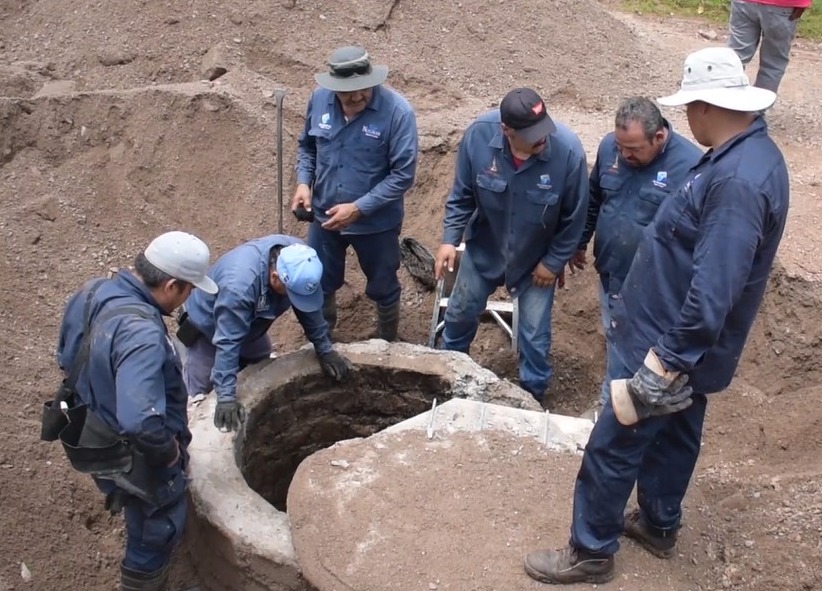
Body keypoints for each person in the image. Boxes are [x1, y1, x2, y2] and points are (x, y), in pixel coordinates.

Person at [523, 47, 789, 584]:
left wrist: (664, 362)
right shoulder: (743, 155)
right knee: (676, 433)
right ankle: (659, 523)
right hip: (683, 342)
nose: (687, 117)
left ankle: (591, 549)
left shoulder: (737, 180)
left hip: (664, 341)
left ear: (706, 107)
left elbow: (715, 286)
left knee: (615, 441)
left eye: (690, 106)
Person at [52, 231, 218, 590]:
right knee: (159, 520)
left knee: (133, 498)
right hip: (130, 451)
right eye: (189, 290)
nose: (188, 299)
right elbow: (141, 420)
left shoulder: (93, 290)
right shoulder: (142, 334)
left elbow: (65, 353)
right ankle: (141, 580)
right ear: (172, 285)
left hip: (89, 430)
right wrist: (170, 452)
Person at [434, 87, 589, 405]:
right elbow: (462, 196)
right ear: (506, 131)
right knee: (460, 314)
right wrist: (450, 240)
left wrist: (554, 262)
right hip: (485, 248)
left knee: (534, 334)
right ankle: (448, 376)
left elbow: (575, 218)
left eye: (543, 130)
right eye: (532, 135)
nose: (542, 139)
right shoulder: (478, 138)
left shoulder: (568, 152)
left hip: (536, 261)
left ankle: (533, 394)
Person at [570, 96, 703, 420]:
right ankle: (618, 410)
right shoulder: (609, 149)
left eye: (633, 149)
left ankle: (614, 414)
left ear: (659, 137)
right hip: (612, 275)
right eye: (620, 146)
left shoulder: (690, 166)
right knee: (617, 341)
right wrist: (580, 243)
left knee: (639, 350)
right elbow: (595, 199)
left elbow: (699, 235)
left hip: (655, 288)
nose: (624, 155)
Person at [292, 45, 419, 342]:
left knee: (384, 283)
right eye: (349, 92)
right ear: (334, 87)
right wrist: (302, 183)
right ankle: (322, 341)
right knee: (319, 281)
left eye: (364, 89)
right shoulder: (319, 100)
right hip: (324, 215)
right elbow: (307, 147)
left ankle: (387, 341)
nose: (359, 96)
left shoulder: (398, 113)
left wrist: (359, 208)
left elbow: (403, 176)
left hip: (376, 223)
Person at [179, 235, 352, 432]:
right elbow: (227, 342)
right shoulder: (240, 287)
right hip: (210, 329)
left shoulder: (300, 261)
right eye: (291, 294)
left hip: (254, 325)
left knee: (261, 371)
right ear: (275, 277)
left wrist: (325, 349)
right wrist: (225, 397)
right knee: (203, 393)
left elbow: (308, 311)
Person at [728, 0, 811, 94]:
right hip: (783, 5)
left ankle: (722, 104)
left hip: (744, 3)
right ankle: (759, 106)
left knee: (735, 57)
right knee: (773, 63)